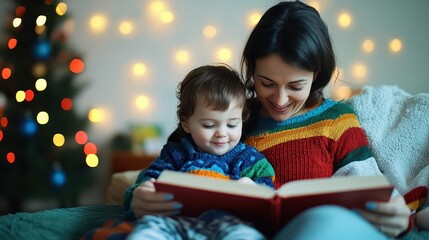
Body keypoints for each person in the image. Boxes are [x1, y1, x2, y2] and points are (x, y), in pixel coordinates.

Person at [127, 1, 413, 240]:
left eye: (295, 86)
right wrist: (137, 197)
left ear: (317, 75)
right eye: (266, 83)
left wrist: (400, 219)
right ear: (251, 71)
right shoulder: (230, 116)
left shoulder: (337, 122)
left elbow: (370, 193)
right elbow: (166, 169)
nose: (279, 99)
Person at [124, 64, 275, 239]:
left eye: (232, 124)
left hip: (227, 225)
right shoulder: (175, 153)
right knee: (146, 231)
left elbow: (269, 194)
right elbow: (151, 179)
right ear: (186, 123)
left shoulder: (249, 159)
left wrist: (254, 190)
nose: (222, 133)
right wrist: (146, 190)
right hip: (174, 222)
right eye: (209, 125)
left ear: (242, 119)